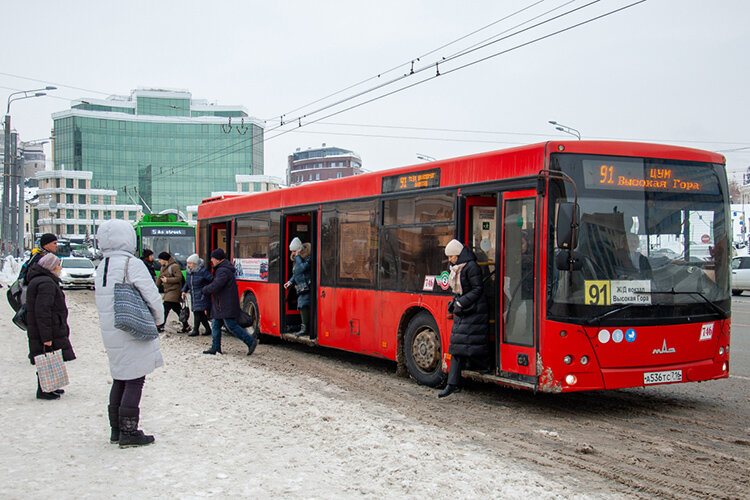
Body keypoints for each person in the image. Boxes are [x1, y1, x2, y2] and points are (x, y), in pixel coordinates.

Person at [95, 219, 165, 448]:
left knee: (120, 378)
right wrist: (158, 319)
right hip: (131, 328)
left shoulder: (102, 266)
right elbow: (151, 294)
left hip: (112, 330)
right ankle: (129, 431)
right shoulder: (130, 263)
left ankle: (116, 429)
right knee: (135, 379)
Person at [439, 239, 490, 398]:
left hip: (475, 310)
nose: (450, 260)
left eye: (451, 256)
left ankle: (483, 367)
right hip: (465, 310)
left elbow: (477, 289)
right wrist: (454, 302)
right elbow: (460, 292)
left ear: (458, 255)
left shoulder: (471, 267)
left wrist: (460, 302)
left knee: (465, 345)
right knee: (457, 347)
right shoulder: (458, 267)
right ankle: (452, 384)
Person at [25, 253, 76, 400]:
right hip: (48, 328)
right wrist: (46, 337)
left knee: (49, 357)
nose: (60, 268)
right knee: (46, 357)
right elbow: (43, 311)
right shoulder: (46, 283)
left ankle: (50, 386)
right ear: (51, 267)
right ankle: (44, 390)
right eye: (58, 265)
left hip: (50, 326)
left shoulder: (42, 280)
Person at [201, 248, 258, 356]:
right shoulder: (222, 269)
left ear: (217, 259)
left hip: (225, 304)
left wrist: (205, 289)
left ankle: (250, 341)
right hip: (221, 303)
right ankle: (215, 347)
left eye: (212, 258)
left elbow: (217, 285)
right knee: (216, 324)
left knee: (231, 326)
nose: (211, 260)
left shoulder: (223, 270)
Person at [284, 237, 314, 338]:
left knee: (302, 304)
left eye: (293, 251)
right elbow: (295, 272)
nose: (292, 253)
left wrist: (297, 256)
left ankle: (305, 328)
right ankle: (305, 326)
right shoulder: (297, 259)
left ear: (298, 249)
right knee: (302, 305)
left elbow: (302, 268)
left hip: (307, 286)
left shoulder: (308, 257)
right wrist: (290, 281)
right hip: (301, 286)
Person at [157, 251, 189, 333]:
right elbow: (159, 280)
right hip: (168, 291)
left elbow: (179, 278)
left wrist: (167, 280)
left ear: (164, 260)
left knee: (166, 307)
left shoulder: (174, 267)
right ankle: (186, 325)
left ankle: (161, 325)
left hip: (174, 291)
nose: (159, 261)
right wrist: (154, 288)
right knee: (177, 309)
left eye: (160, 259)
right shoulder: (163, 267)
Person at [181, 253, 213, 337]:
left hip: (202, 295)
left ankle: (196, 330)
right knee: (200, 312)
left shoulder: (203, 271)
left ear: (195, 263)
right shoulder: (189, 271)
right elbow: (187, 283)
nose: (189, 265)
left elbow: (211, 280)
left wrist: (206, 289)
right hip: (194, 294)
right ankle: (208, 329)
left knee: (197, 312)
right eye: (188, 263)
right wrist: (184, 290)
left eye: (190, 263)